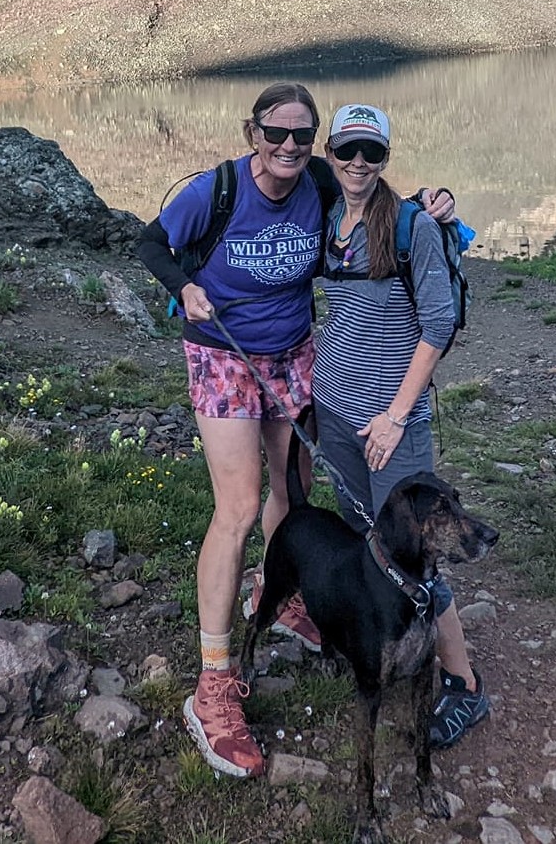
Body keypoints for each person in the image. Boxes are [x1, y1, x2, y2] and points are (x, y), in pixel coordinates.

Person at [136, 84, 456, 778]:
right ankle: (214, 681)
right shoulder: (215, 189)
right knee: (240, 506)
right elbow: (150, 241)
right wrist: (183, 285)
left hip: (291, 356)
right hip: (222, 353)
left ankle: (288, 599)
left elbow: (372, 193)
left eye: (301, 136)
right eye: (274, 134)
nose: (288, 147)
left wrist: (434, 204)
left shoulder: (316, 178)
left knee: (295, 496)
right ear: (251, 130)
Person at [312, 101, 490, 749]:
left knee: (417, 561)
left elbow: (437, 324)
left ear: (385, 157)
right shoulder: (326, 214)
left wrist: (392, 415)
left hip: (392, 421)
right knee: (368, 539)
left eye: (372, 152)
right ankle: (383, 647)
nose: (358, 162)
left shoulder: (410, 223)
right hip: (333, 407)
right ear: (329, 152)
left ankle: (464, 684)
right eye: (347, 150)